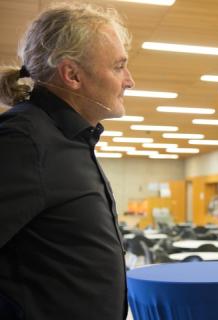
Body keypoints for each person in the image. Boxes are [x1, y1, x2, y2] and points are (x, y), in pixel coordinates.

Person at [0, 2, 134, 319]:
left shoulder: (70, 138)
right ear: (72, 74)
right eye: (118, 67)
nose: (129, 80)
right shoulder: (25, 141)